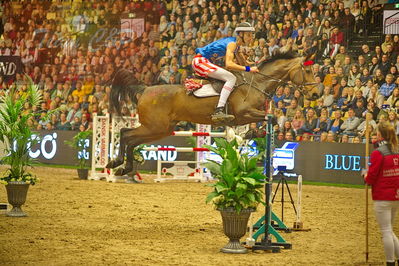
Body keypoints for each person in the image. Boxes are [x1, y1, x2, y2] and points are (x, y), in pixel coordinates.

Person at [192, 22, 259, 123]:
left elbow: (244, 63)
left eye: (252, 35)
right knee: (231, 78)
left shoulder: (236, 46)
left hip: (202, 61)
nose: (251, 38)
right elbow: (229, 64)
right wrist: (249, 69)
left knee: (230, 76)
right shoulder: (232, 45)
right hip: (200, 61)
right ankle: (219, 109)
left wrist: (255, 64)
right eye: (248, 35)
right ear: (241, 34)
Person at [364, 122, 399, 266]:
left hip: (383, 196)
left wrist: (365, 175)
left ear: (379, 134)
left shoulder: (378, 153)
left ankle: (390, 262)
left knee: (386, 231)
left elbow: (371, 178)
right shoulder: (396, 150)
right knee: (389, 230)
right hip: (396, 195)